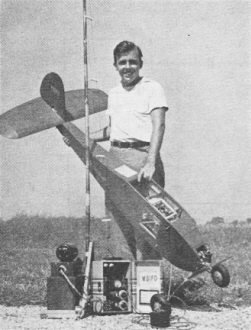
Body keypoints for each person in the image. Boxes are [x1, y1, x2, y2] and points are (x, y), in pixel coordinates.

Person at [94, 40, 169, 259]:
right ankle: (125, 286)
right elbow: (112, 129)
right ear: (115, 65)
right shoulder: (114, 93)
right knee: (118, 221)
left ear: (140, 63)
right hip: (115, 158)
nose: (128, 67)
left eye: (132, 62)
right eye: (122, 62)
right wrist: (86, 138)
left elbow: (159, 125)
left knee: (147, 223)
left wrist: (150, 162)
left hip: (142, 158)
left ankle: (149, 288)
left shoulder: (152, 88)